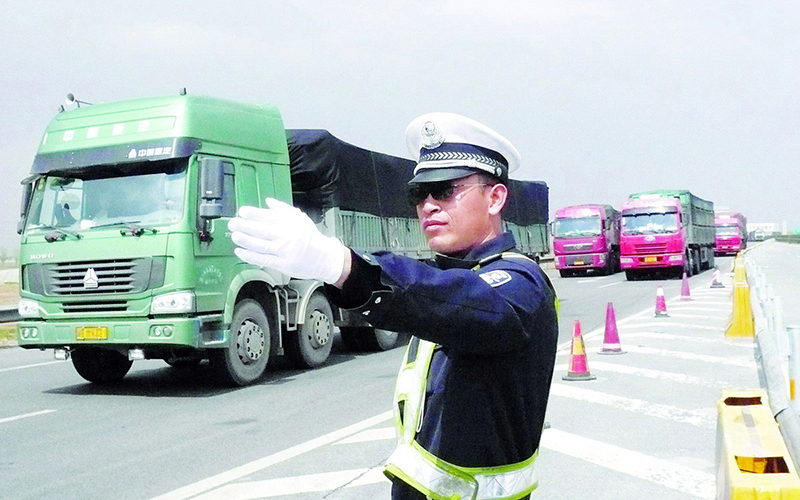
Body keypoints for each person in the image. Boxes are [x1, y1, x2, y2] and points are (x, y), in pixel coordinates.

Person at [228, 113, 558, 500]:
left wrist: (342, 265)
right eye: (420, 193)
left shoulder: (520, 284)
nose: (429, 205)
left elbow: (463, 302)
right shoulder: (444, 277)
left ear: (496, 197)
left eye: (446, 189)